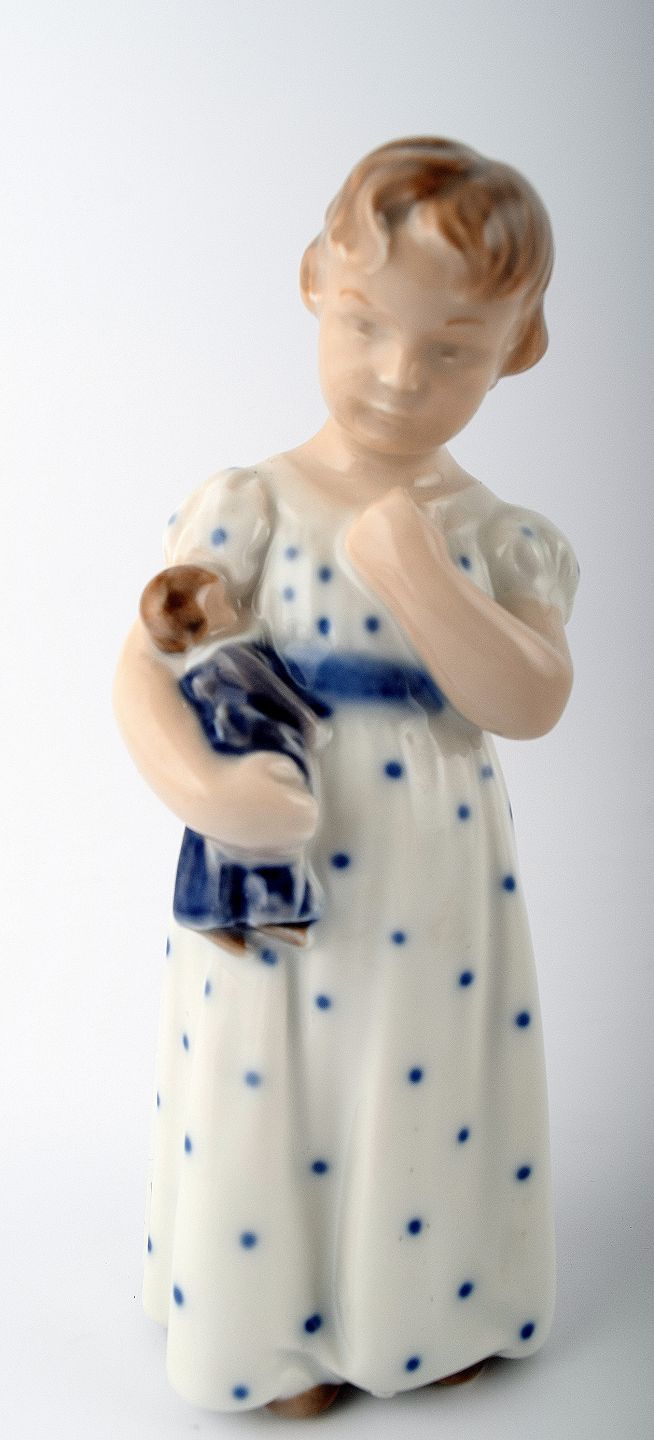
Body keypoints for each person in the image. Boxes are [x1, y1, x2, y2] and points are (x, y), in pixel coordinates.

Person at [114, 136, 579, 1417]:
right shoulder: (249, 503)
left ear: (519, 348)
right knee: (273, 1084)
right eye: (368, 323)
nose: (398, 375)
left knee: (422, 1074)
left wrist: (419, 571)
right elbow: (143, 666)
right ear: (316, 281)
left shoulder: (501, 537)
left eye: (453, 349)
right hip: (283, 849)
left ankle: (426, 1310)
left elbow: (532, 698)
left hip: (435, 864)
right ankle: (267, 1331)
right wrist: (204, 790)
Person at [139, 563, 324, 953]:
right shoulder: (228, 658)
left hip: (242, 751)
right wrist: (309, 725)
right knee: (255, 843)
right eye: (218, 603)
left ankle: (217, 912)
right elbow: (276, 697)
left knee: (223, 848)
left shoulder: (211, 659)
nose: (229, 604)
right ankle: (260, 913)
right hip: (253, 747)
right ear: (199, 625)